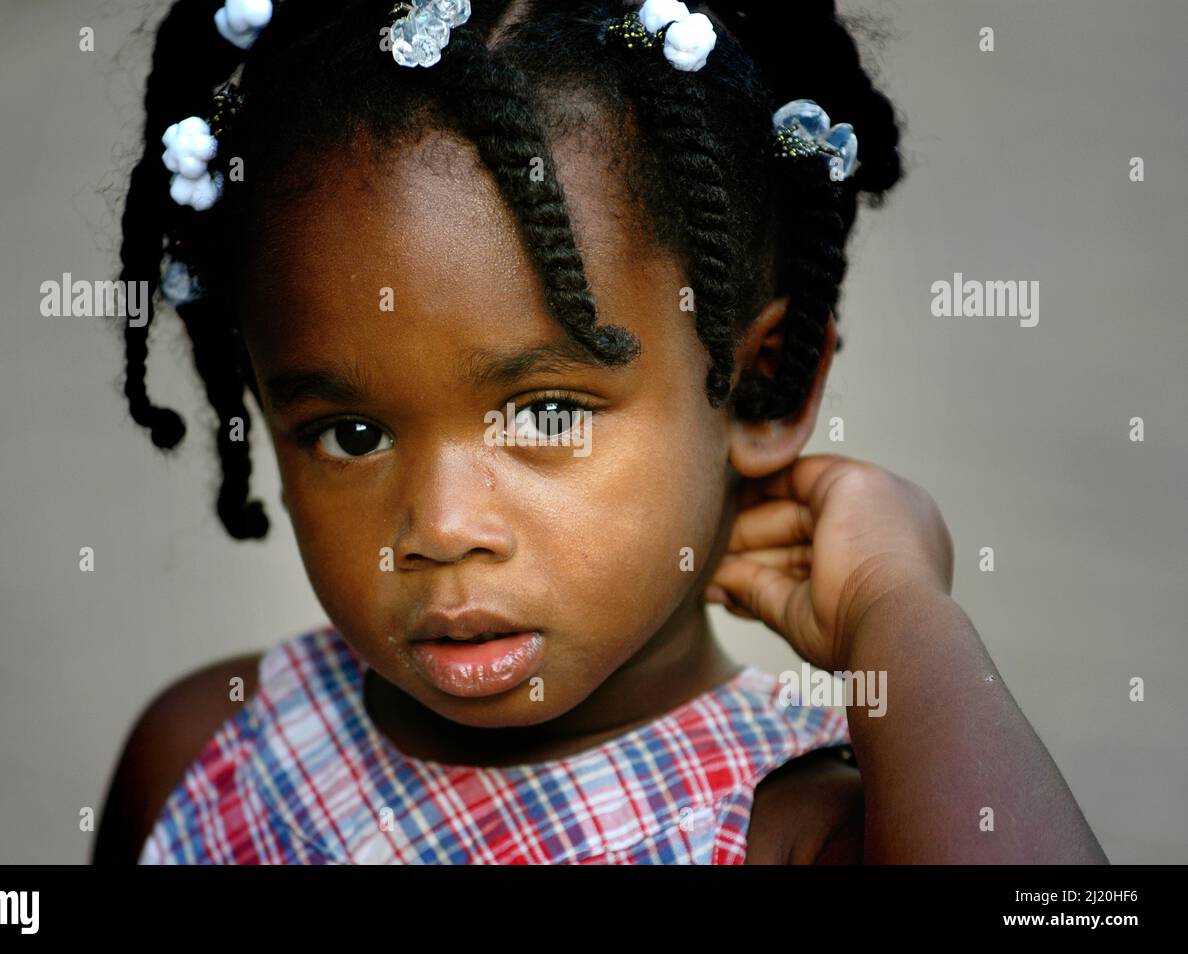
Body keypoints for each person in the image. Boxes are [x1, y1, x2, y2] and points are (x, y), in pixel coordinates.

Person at [92, 0, 1107, 864]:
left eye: (545, 413)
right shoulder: (207, 754)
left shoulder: (802, 831)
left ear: (760, 390)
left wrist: (896, 608)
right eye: (351, 432)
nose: (442, 528)